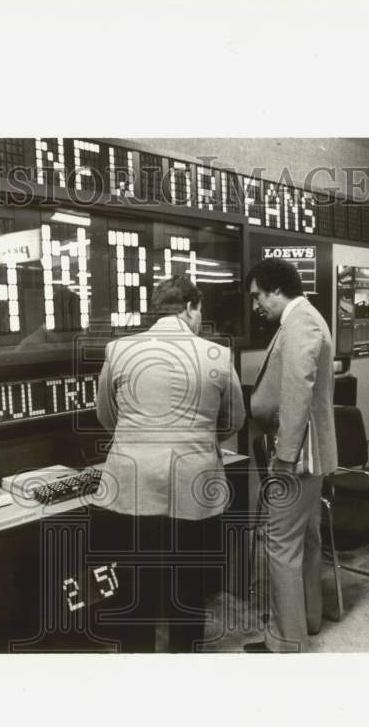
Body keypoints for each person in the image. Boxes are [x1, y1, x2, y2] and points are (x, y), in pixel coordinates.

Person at [94, 275, 245, 652]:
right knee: (189, 591)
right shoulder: (218, 355)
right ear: (192, 307)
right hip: (193, 490)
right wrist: (200, 442)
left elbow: (105, 416)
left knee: (131, 590)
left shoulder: (118, 350)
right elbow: (234, 419)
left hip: (130, 488)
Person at [244, 258, 337, 652]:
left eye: (257, 296)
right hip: (308, 455)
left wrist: (284, 456)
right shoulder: (304, 319)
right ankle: (309, 618)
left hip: (297, 457)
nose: (255, 306)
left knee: (280, 543)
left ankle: (286, 641)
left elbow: (299, 387)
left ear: (275, 290)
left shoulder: (302, 322)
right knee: (307, 539)